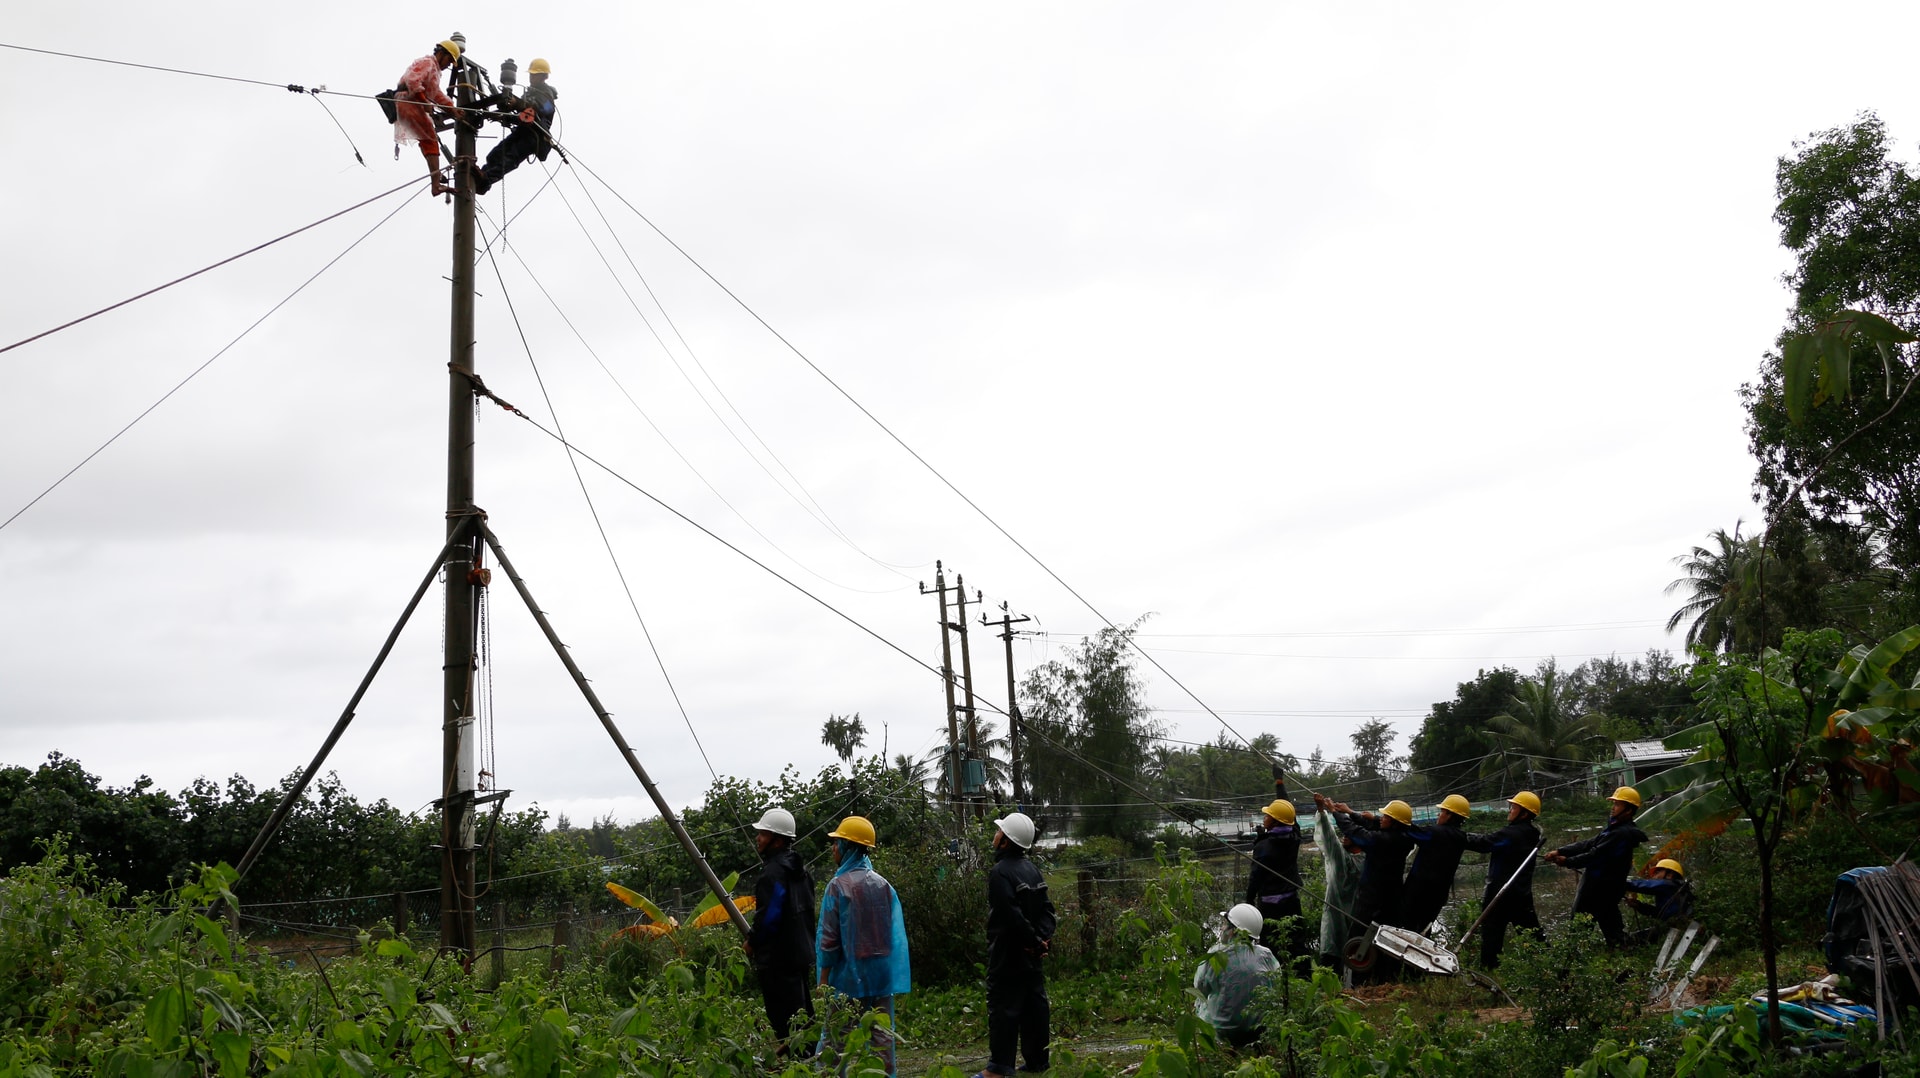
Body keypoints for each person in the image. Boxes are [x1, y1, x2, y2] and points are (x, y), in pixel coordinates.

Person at [816, 816, 911, 1078]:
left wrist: (823, 978)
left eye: (836, 844)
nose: (833, 849)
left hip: (848, 976)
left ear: (848, 847)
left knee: (835, 1040)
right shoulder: (882, 885)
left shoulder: (838, 887)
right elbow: (890, 934)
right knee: (881, 1036)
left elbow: (829, 938)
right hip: (880, 973)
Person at [981, 812, 1055, 1078]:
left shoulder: (999, 873)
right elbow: (1048, 910)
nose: (995, 834)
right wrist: (1042, 941)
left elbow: (1010, 916)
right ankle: (1037, 1061)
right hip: (1031, 954)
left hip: (1008, 952)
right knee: (1035, 1005)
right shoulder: (1031, 869)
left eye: (999, 831)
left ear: (1004, 842)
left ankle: (999, 1069)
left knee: (1004, 1007)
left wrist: (1033, 941)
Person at [746, 806, 816, 1057]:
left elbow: (770, 917)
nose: (758, 838)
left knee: (787, 1023)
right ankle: (809, 1064)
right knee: (803, 1017)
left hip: (778, 961)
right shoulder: (801, 872)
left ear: (777, 840)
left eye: (763, 834)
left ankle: (803, 1066)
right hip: (800, 956)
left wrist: (752, 942)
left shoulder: (773, 874)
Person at [1545, 786, 1647, 947]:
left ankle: (1569, 962)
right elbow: (1589, 843)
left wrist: (1567, 861)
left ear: (1628, 810)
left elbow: (1595, 854)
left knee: (1579, 930)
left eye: (1618, 804)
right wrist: (1560, 850)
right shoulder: (1614, 830)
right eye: (1613, 803)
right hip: (1603, 887)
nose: (1613, 808)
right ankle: (1627, 950)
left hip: (1599, 888)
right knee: (1612, 931)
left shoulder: (1621, 834)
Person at [1462, 790, 1542, 969]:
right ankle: (1549, 967)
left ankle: (1489, 970)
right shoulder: (1531, 833)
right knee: (1532, 934)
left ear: (1525, 813)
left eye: (1514, 807)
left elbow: (1485, 844)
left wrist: (1459, 837)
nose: (1510, 810)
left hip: (1501, 893)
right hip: (1521, 892)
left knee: (1492, 934)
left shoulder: (1512, 834)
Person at [1316, 794, 1415, 930]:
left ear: (1394, 822)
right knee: (1385, 932)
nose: (1381, 819)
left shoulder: (1383, 841)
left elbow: (1355, 832)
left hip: (1374, 898)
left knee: (1360, 933)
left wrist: (1334, 812)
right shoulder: (1404, 837)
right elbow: (1376, 825)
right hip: (1392, 895)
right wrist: (1351, 812)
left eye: (1385, 817)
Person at [1194, 904, 1282, 1050]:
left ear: (1233, 931)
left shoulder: (1215, 954)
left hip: (1223, 1031)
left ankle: (1212, 1044)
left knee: (1200, 1000)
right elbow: (1277, 985)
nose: (1222, 928)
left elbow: (1200, 988)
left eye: (1224, 925)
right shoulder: (1266, 955)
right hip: (1259, 1030)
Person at [474, 57, 559, 196]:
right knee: (495, 154)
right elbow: (521, 116)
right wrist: (502, 115)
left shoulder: (547, 94)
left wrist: (521, 104)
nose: (532, 77)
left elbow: (545, 109)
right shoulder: (530, 92)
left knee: (511, 157)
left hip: (534, 136)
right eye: (531, 74)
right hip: (522, 131)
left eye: (535, 74)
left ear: (544, 76)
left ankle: (486, 179)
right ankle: (481, 177)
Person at [1394, 794, 1472, 935]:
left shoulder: (1434, 833)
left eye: (1442, 811)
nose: (1439, 815)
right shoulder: (1461, 837)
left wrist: (1383, 818)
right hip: (1439, 895)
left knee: (1406, 928)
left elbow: (1409, 830)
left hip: (1417, 891)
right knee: (1424, 929)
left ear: (1449, 815)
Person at [1245, 798, 1307, 968]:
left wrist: (1249, 900)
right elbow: (1291, 818)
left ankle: (1275, 978)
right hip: (1291, 900)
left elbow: (1255, 876)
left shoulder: (1264, 847)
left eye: (1267, 816)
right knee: (1297, 941)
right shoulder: (1294, 837)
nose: (1264, 818)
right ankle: (1304, 976)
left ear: (1274, 822)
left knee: (1270, 944)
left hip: (1269, 904)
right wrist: (1280, 785)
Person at [394, 41, 460, 197]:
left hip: (408, 102)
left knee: (427, 139)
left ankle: (435, 176)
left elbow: (436, 94)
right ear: (441, 54)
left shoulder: (435, 72)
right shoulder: (428, 62)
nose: (448, 65)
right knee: (430, 139)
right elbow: (412, 80)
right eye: (449, 60)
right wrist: (424, 101)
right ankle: (436, 183)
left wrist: (453, 110)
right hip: (407, 100)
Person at [1316, 809, 1364, 983]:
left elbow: (1330, 841)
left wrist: (1322, 813)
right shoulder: (1369, 860)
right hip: (1355, 921)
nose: (1345, 836)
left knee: (1332, 960)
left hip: (1337, 919)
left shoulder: (1347, 861)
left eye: (1350, 834)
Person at [1624, 858, 1693, 924]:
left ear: (1669, 875)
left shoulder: (1667, 885)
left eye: (1657, 872)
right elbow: (1659, 913)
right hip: (1677, 923)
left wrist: (1620, 882)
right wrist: (1639, 906)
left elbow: (1641, 885)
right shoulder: (1674, 890)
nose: (1654, 876)